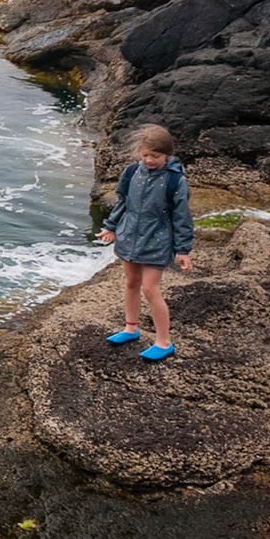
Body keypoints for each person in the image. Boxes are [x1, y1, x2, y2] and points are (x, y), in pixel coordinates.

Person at [98, 123, 194, 361]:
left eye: (156, 156)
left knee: (150, 289)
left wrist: (183, 250)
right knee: (131, 282)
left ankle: (163, 342)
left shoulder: (175, 180)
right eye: (145, 155)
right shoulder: (132, 172)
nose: (150, 160)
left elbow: (182, 216)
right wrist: (111, 226)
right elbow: (122, 201)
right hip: (129, 236)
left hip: (157, 240)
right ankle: (131, 328)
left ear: (167, 154)